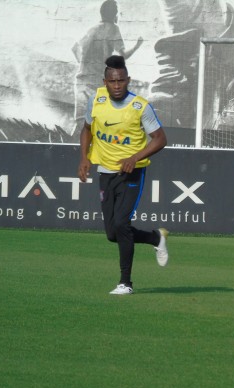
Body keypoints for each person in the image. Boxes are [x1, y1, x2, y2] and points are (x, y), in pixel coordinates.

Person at [77, 55, 168, 295]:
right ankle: (155, 238)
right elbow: (86, 130)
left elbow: (160, 139)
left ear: (128, 80)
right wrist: (84, 158)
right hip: (105, 172)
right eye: (112, 81)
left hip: (132, 172)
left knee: (121, 223)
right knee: (112, 234)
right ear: (104, 81)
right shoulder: (96, 100)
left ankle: (125, 282)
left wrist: (134, 158)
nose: (117, 85)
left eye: (121, 81)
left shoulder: (140, 107)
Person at [72, 0, 143, 129]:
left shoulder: (92, 29)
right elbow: (123, 56)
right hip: (97, 84)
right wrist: (137, 46)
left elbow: (74, 48)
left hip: (81, 80)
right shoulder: (113, 28)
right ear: (115, 15)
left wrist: (83, 65)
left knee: (80, 126)